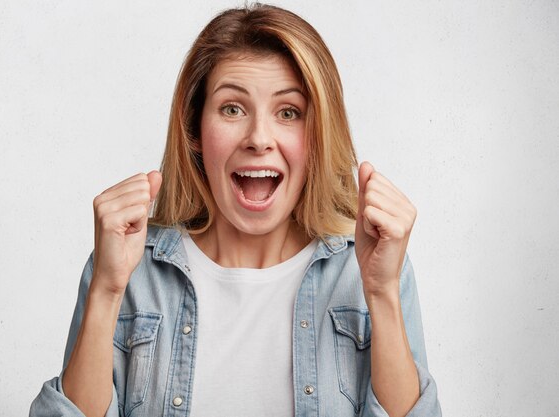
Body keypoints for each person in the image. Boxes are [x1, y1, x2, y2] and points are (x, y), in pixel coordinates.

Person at [30, 4, 441, 417]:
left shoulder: (370, 268)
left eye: (288, 112)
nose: (259, 138)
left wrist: (383, 294)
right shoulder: (128, 269)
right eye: (232, 108)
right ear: (194, 129)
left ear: (318, 135)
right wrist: (106, 289)